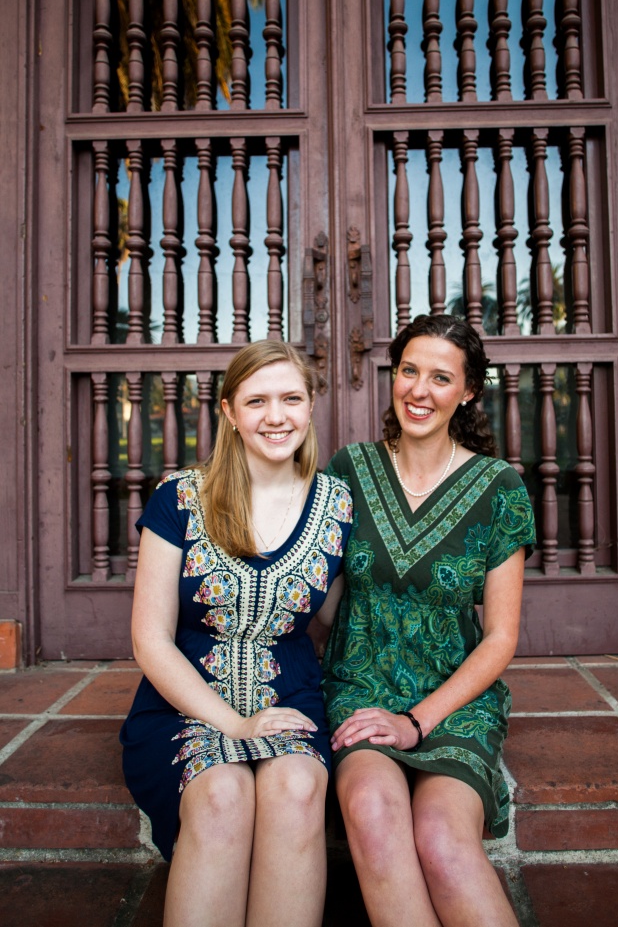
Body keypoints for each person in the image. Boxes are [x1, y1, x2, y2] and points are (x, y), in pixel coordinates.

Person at [120, 340, 353, 927]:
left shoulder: (338, 503)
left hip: (290, 695)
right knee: (222, 796)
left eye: (291, 399)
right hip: (184, 706)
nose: (276, 416)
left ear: (309, 405)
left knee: (299, 789)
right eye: (257, 401)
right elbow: (150, 639)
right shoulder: (180, 498)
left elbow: (331, 616)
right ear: (228, 411)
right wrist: (235, 725)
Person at [321, 314, 536, 927]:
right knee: (372, 812)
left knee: (442, 842)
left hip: (453, 698)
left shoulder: (500, 489)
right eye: (409, 371)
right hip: (360, 686)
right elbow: (325, 596)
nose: (419, 390)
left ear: (468, 391)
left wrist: (418, 721)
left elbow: (500, 638)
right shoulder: (349, 470)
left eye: (441, 377)